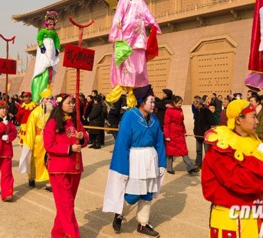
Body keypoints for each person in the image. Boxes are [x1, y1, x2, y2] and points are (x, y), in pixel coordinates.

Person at [202, 99, 263, 238]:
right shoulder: (221, 147)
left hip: (254, 218)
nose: (257, 122)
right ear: (238, 120)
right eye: (253, 117)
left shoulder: (255, 142)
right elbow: (239, 182)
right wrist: (258, 157)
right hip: (229, 219)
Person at [103, 85, 166, 237]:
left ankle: (143, 224)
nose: (153, 104)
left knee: (148, 194)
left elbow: (159, 142)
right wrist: (122, 167)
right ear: (141, 102)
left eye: (154, 101)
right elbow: (122, 144)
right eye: (151, 101)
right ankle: (119, 213)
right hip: (135, 159)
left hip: (151, 159)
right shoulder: (130, 116)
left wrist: (162, 162)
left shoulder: (155, 120)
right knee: (133, 194)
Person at [106, 0, 162, 108]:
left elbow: (148, 15)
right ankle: (117, 97)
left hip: (138, 39)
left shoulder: (141, 2)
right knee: (128, 68)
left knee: (139, 69)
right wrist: (117, 36)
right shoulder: (123, 0)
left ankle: (133, 99)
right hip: (126, 38)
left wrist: (154, 25)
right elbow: (118, 17)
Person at [43, 93, 89, 238]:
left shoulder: (75, 121)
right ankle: (72, 235)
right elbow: (49, 145)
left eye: (72, 102)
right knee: (67, 204)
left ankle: (57, 233)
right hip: (59, 168)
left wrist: (82, 138)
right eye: (69, 102)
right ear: (60, 104)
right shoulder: (52, 123)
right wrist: (69, 149)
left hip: (75, 167)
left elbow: (85, 138)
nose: (72, 105)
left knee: (66, 205)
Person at [19, 90, 53, 191]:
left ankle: (48, 182)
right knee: (35, 161)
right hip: (38, 141)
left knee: (49, 161)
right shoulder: (35, 113)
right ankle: (31, 178)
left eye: (51, 99)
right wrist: (29, 143)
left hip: (50, 141)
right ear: (42, 100)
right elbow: (30, 129)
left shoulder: (53, 112)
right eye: (47, 99)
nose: (49, 101)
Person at [31, 11, 60, 103]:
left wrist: (57, 49)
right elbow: (39, 38)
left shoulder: (54, 33)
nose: (52, 26)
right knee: (45, 59)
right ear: (47, 24)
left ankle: (50, 63)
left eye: (53, 24)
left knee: (50, 60)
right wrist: (41, 45)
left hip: (51, 47)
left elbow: (57, 41)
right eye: (50, 24)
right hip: (45, 46)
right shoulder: (43, 31)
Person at [163, 96, 197, 175]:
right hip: (171, 134)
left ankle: (190, 167)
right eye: (179, 103)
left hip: (179, 134)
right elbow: (166, 124)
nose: (180, 104)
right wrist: (167, 135)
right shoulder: (169, 111)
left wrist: (184, 131)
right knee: (170, 152)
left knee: (184, 151)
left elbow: (182, 122)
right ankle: (169, 168)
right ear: (174, 103)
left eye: (181, 103)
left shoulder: (180, 110)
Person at [192, 96, 215, 169]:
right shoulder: (196, 111)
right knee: (198, 150)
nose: (194, 104)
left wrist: (208, 132)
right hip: (198, 134)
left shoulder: (207, 111)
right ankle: (198, 163)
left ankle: (208, 164)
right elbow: (196, 122)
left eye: (195, 102)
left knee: (207, 151)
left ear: (199, 103)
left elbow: (212, 123)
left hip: (205, 135)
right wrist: (195, 131)